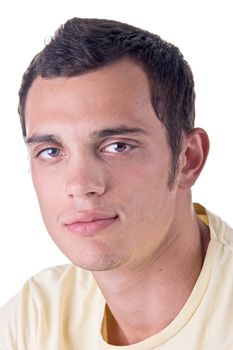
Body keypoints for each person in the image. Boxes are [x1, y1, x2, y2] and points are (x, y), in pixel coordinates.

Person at [0, 17, 233, 349]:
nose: (80, 185)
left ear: (188, 159)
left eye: (117, 146)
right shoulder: (37, 317)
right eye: (51, 150)